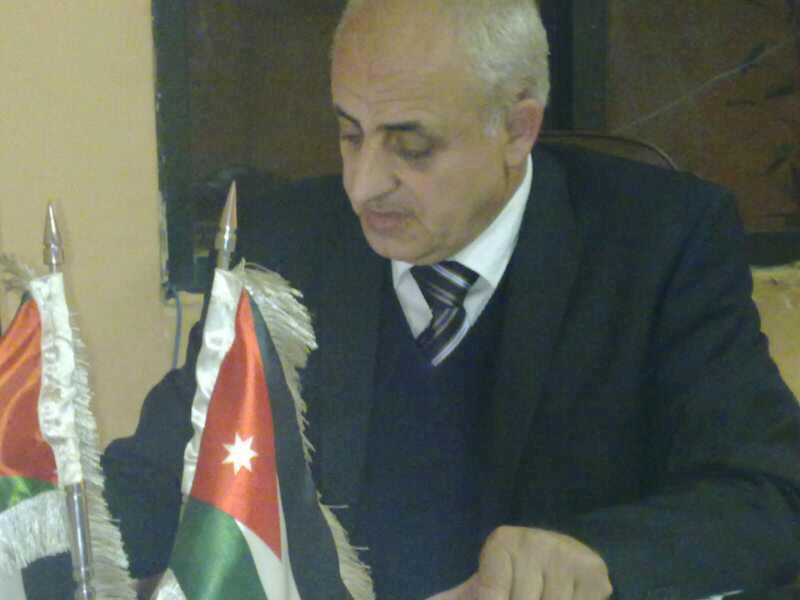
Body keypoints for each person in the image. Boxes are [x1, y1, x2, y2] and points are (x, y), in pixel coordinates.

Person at [102, 1, 800, 598]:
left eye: (410, 147)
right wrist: (55, 523)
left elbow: (772, 494)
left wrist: (598, 557)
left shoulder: (658, 245)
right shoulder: (285, 246)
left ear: (517, 131)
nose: (362, 186)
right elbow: (162, 474)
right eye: (350, 134)